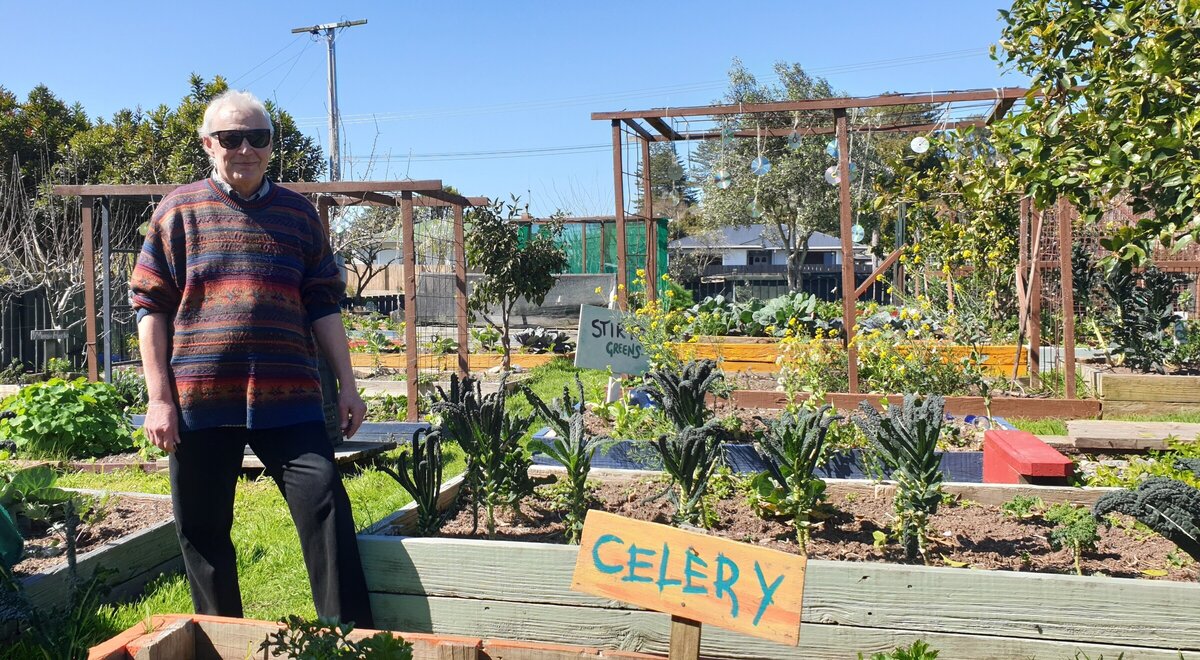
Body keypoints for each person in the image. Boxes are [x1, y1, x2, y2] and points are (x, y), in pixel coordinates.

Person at [131, 89, 374, 627]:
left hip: (289, 400)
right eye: (230, 137)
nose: (245, 148)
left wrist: (349, 386)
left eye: (258, 138)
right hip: (199, 401)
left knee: (326, 505)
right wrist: (158, 398)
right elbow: (150, 307)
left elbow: (323, 304)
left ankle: (352, 637)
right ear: (207, 144)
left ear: (271, 145)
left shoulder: (298, 214)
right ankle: (223, 637)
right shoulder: (178, 211)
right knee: (202, 528)